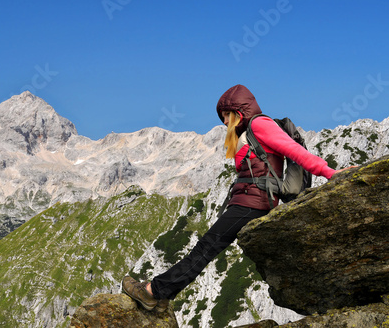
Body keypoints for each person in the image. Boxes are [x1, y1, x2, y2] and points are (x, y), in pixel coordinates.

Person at [122, 84, 355, 312]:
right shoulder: (247, 132)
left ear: (238, 111)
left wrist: (331, 173)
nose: (224, 122)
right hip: (247, 203)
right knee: (206, 248)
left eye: (226, 115)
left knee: (205, 249)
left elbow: (295, 151)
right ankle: (161, 295)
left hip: (252, 204)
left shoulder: (261, 124)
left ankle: (153, 293)